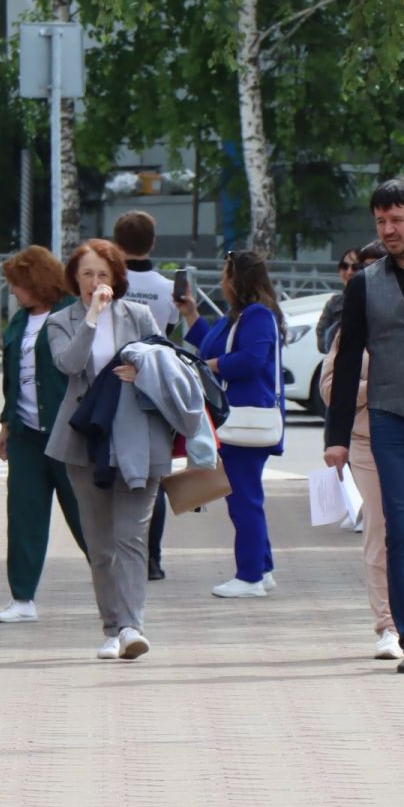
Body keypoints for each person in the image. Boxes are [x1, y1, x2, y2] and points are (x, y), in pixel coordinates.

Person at [324, 177, 404, 674]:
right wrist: (335, 440)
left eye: (397, 220)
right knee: (401, 533)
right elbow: (348, 361)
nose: (388, 230)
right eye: (380, 222)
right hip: (391, 423)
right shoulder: (364, 285)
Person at [47, 238, 168, 661]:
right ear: (74, 279)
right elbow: (69, 364)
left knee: (132, 536)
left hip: (136, 437)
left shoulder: (139, 315)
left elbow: (165, 364)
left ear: (117, 277)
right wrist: (93, 317)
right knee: (100, 544)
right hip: (85, 440)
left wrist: (143, 370)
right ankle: (112, 627)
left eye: (103, 274)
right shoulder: (62, 320)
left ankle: (133, 626)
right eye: (87, 274)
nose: (95, 282)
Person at [178, 249, 284, 598]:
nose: (222, 281)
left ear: (237, 279)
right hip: (238, 420)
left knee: (243, 500)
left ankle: (250, 576)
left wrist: (212, 366)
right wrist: (191, 314)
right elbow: (212, 344)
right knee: (246, 496)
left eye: (226, 274)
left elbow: (251, 360)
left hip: (244, 420)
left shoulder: (256, 315)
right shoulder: (240, 315)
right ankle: (262, 569)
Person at [0, 246, 86, 623]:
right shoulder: (19, 322)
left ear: (36, 281)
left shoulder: (72, 313)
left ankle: (115, 587)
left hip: (69, 435)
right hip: (25, 436)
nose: (13, 291)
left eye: (17, 284)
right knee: (23, 517)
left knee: (86, 516)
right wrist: (5, 424)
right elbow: (11, 377)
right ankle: (22, 599)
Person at [113, 210, 177, 581]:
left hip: (114, 382)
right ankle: (152, 558)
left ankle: (119, 552)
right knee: (155, 473)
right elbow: (166, 333)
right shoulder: (166, 287)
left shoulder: (113, 286)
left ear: (116, 244)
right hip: (153, 384)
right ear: (152, 243)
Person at [317, 248, 361, 354]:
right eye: (344, 266)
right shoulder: (333, 303)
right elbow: (322, 344)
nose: (349, 272)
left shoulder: (375, 301)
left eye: (355, 267)